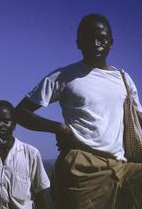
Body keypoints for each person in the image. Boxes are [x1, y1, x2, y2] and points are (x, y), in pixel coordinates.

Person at [15, 13, 142, 208]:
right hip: (83, 165)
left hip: (122, 166)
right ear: (78, 43)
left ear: (111, 42)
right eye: (89, 38)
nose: (96, 43)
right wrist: (59, 128)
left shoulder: (124, 79)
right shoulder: (64, 76)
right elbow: (21, 113)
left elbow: (139, 119)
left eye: (102, 38)